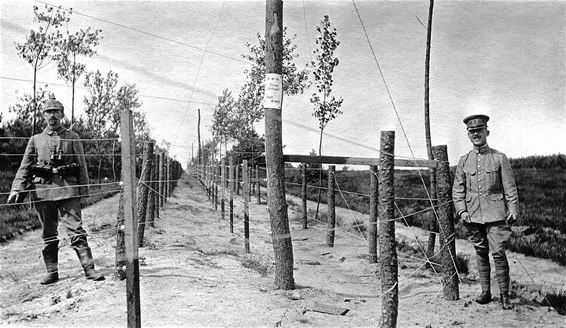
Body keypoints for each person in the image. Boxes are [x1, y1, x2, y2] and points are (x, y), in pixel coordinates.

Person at [7, 95, 105, 284]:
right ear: (43, 115)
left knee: (76, 231)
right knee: (48, 234)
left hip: (68, 191)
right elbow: (25, 166)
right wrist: (16, 189)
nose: (52, 115)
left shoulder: (72, 137)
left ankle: (90, 270)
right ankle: (52, 272)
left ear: (62, 114)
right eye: (48, 112)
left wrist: (84, 191)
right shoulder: (35, 140)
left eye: (56, 111)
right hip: (42, 193)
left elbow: (82, 165)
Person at [453, 114, 518, 310]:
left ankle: (505, 296)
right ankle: (485, 292)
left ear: (486, 132)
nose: (476, 135)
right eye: (472, 132)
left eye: (479, 131)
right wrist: (462, 211)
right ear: (468, 135)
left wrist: (513, 208)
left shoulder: (499, 158)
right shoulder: (464, 161)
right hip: (473, 215)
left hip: (497, 214)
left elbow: (510, 186)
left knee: (498, 253)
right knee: (480, 252)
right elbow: (458, 189)